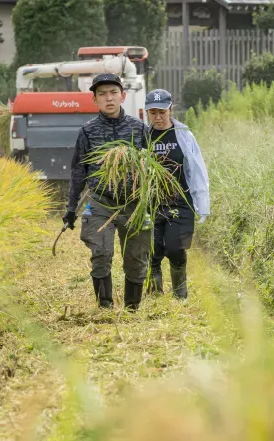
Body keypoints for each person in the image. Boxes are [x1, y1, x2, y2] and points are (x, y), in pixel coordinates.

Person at [62, 73, 149, 311]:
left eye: (113, 93)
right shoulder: (88, 131)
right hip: (100, 201)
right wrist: (71, 209)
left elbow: (152, 167)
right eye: (102, 94)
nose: (108, 98)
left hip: (133, 202)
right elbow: (78, 171)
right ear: (95, 100)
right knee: (101, 253)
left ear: (123, 96)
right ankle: (105, 306)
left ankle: (133, 307)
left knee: (135, 256)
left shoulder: (139, 128)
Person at [144, 88, 210, 299]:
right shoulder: (143, 137)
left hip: (180, 202)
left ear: (170, 109)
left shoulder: (183, 135)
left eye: (162, 112)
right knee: (152, 250)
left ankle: (180, 294)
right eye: (153, 113)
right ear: (147, 113)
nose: (158, 117)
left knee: (175, 249)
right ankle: (155, 295)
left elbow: (198, 170)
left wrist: (203, 203)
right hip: (152, 205)